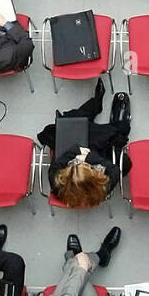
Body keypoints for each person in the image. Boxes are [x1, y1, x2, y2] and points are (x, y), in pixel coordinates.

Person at [37, 79, 131, 207]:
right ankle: (112, 121)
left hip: (73, 149)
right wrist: (90, 157)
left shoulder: (57, 185)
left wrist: (76, 151)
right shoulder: (103, 188)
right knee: (107, 135)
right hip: (97, 153)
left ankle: (96, 104)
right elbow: (114, 170)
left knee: (71, 123)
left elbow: (56, 164)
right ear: (95, 178)